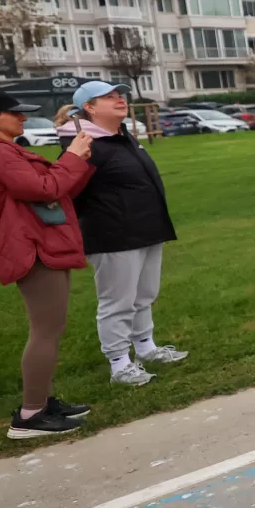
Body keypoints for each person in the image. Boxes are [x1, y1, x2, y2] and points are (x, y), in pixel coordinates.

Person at [0, 90, 100, 439]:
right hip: (31, 248)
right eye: (14, 113)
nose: (22, 117)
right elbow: (44, 188)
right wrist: (73, 158)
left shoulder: (4, 150)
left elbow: (57, 190)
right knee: (46, 330)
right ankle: (30, 415)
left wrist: (76, 161)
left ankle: (43, 402)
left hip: (40, 244)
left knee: (52, 326)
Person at [62, 81, 186, 386]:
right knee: (117, 301)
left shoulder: (122, 137)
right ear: (89, 107)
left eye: (120, 95)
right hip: (113, 234)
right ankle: (119, 363)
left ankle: (146, 347)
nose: (119, 100)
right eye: (109, 97)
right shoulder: (83, 143)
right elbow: (69, 188)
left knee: (144, 294)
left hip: (147, 228)